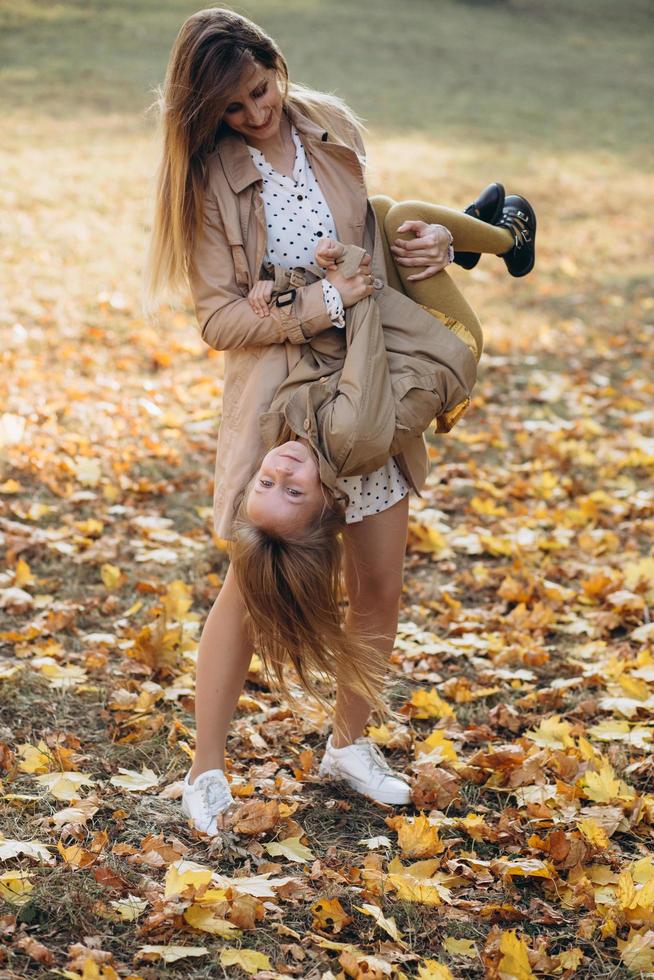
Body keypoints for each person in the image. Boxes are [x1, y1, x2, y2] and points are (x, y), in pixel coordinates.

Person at [145, 7, 537, 836]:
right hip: (286, 393)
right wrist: (321, 299)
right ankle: (205, 772)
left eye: (260, 90)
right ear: (205, 113)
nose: (256, 114)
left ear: (274, 65)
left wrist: (426, 253)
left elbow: (373, 242)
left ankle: (349, 746)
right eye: (232, 109)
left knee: (380, 580)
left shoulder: (333, 127)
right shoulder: (208, 179)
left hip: (371, 371)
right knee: (251, 587)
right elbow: (219, 322)